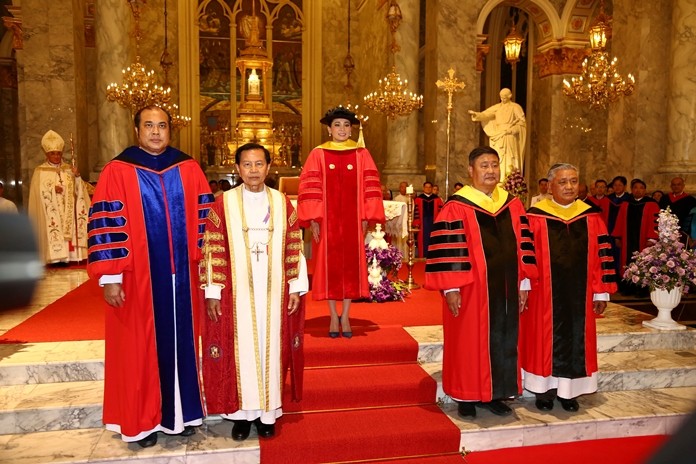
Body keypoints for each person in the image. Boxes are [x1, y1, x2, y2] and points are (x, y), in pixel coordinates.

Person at [87, 105, 213, 447]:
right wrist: (110, 277)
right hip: (137, 280)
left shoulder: (188, 168)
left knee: (182, 345)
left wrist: (206, 268)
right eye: (149, 125)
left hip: (183, 277)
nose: (156, 132)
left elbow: (206, 223)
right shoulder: (117, 170)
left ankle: (180, 416)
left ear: (171, 130)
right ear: (137, 130)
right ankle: (142, 423)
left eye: (162, 126)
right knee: (139, 349)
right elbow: (106, 226)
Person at [200, 143, 308, 441]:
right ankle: (240, 416)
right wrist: (213, 291)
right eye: (247, 165)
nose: (253, 170)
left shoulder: (282, 203)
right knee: (240, 351)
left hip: (274, 292)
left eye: (259, 164)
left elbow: (295, 244)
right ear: (237, 169)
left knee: (271, 350)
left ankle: (267, 414)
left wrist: (295, 286)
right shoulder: (223, 204)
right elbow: (212, 248)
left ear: (268, 167)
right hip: (237, 295)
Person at [424, 146, 537, 419]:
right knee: (467, 341)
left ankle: (496, 394)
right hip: (470, 289)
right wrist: (451, 288)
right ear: (471, 170)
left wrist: (523, 283)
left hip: (507, 289)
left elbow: (523, 245)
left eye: (494, 165)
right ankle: (466, 395)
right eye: (484, 165)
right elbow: (447, 252)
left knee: (503, 339)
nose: (490, 170)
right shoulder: (456, 207)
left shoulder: (512, 204)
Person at [521, 163, 618, 413]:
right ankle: (543, 390)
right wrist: (524, 284)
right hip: (543, 294)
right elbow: (524, 256)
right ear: (549, 186)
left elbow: (602, 257)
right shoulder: (534, 216)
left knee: (576, 339)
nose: (569, 187)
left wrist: (600, 292)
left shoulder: (591, 217)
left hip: (580, 296)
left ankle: (569, 392)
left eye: (573, 181)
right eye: (562, 182)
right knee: (542, 340)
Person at [298, 106, 385, 338]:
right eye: (337, 125)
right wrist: (314, 218)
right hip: (327, 221)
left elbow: (369, 186)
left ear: (351, 129)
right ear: (329, 129)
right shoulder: (318, 154)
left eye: (346, 125)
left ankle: (345, 315)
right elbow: (311, 188)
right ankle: (332, 316)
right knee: (329, 267)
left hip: (352, 220)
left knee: (350, 268)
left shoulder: (361, 154)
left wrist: (365, 216)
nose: (342, 129)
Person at [27, 130, 90, 264]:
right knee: (54, 228)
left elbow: (79, 191)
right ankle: (57, 258)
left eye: (58, 153)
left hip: (68, 210)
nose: (56, 156)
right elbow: (36, 193)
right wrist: (51, 189)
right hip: (51, 211)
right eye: (53, 153)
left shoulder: (69, 169)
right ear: (47, 154)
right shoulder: (40, 171)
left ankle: (72, 257)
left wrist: (77, 176)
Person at [613, 178, 660, 295]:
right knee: (627, 262)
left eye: (641, 188)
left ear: (645, 190)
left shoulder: (652, 204)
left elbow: (655, 223)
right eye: (635, 188)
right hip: (627, 241)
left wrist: (652, 238)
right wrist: (617, 237)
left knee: (643, 263)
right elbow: (619, 221)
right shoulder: (625, 204)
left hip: (644, 241)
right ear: (631, 189)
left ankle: (641, 289)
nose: (638, 190)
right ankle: (628, 287)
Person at [468, 88, 526, 182]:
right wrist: (477, 115)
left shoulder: (515, 107)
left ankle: (509, 181)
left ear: (510, 96)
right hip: (498, 135)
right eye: (501, 97)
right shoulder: (497, 107)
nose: (503, 99)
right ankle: (498, 179)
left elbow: (521, 123)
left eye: (505, 97)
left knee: (509, 158)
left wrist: (511, 130)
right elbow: (486, 114)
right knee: (497, 157)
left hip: (509, 136)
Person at [414, 181, 443, 257]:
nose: (428, 188)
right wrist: (417, 223)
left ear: (432, 188)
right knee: (423, 239)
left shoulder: (437, 199)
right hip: (422, 223)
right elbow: (416, 213)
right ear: (423, 188)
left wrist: (439, 223)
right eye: (426, 187)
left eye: (429, 187)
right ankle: (423, 256)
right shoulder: (418, 199)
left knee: (433, 239)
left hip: (434, 223)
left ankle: (433, 256)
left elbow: (440, 212)